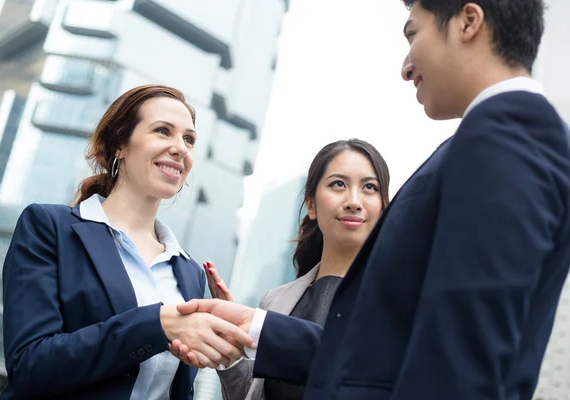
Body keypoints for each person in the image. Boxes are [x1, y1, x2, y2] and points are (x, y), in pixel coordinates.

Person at [172, 1, 570, 399]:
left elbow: (460, 363)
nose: (406, 67)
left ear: (468, 22)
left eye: (413, 34)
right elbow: (391, 356)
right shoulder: (499, 140)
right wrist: (258, 327)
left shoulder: (504, 142)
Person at [0, 85, 252, 400]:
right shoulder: (50, 228)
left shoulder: (189, 272)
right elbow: (30, 366)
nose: (180, 148)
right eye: (163, 131)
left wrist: (225, 341)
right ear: (120, 144)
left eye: (188, 139)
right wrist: (157, 324)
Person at [206, 139, 390, 400]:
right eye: (339, 184)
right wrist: (233, 350)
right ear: (311, 205)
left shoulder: (401, 302)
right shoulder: (275, 300)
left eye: (369, 187)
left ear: (383, 207)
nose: (354, 201)